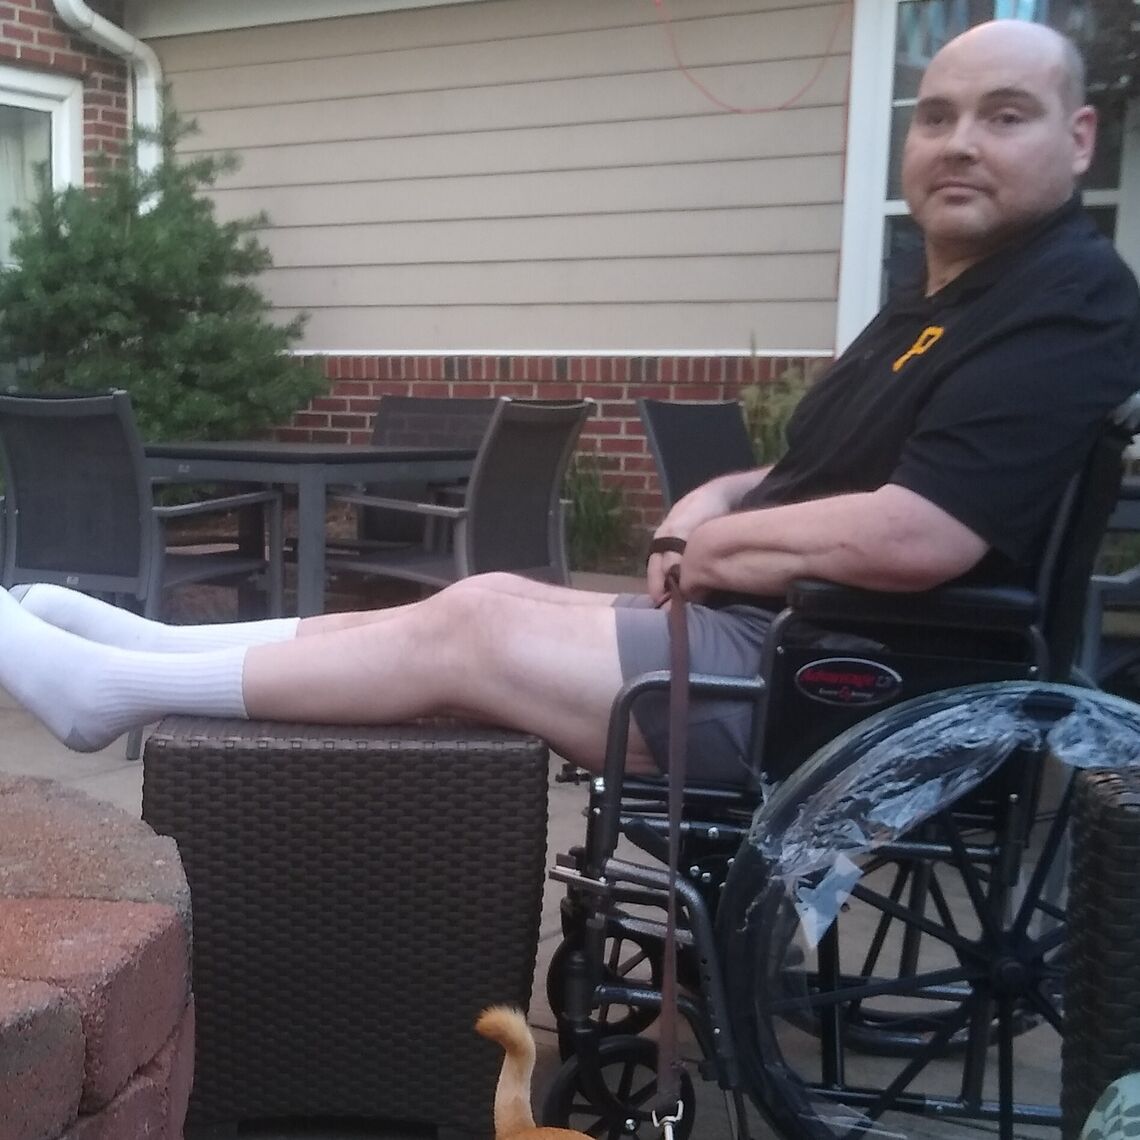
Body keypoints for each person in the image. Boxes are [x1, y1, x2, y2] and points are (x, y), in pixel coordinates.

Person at [3, 19, 1139, 782]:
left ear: (1078, 140)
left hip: (850, 689)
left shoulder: (1068, 305)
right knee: (486, 590)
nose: (957, 143)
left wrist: (729, 546)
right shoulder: (939, 305)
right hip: (787, 636)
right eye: (936, 116)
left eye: (1003, 116)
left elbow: (919, 532)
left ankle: (115, 689)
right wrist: (707, 500)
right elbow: (819, 471)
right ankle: (150, 651)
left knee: (476, 628)